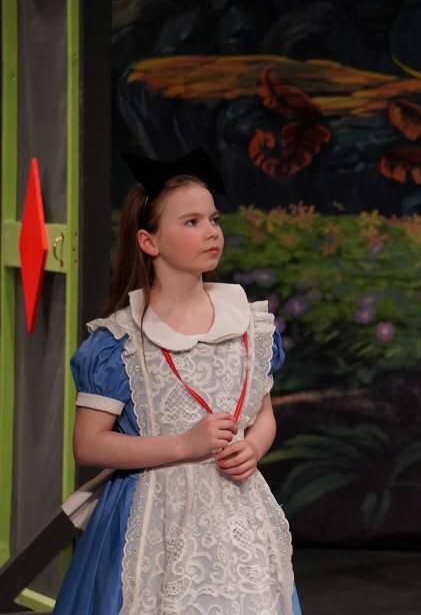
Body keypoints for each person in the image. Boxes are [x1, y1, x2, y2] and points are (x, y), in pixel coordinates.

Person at [53, 148, 300, 614]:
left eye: (213, 219)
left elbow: (262, 416)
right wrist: (185, 445)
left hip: (237, 516)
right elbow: (89, 445)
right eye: (191, 222)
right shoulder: (121, 342)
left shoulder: (247, 324)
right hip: (153, 517)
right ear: (149, 242)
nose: (211, 231)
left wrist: (254, 447)